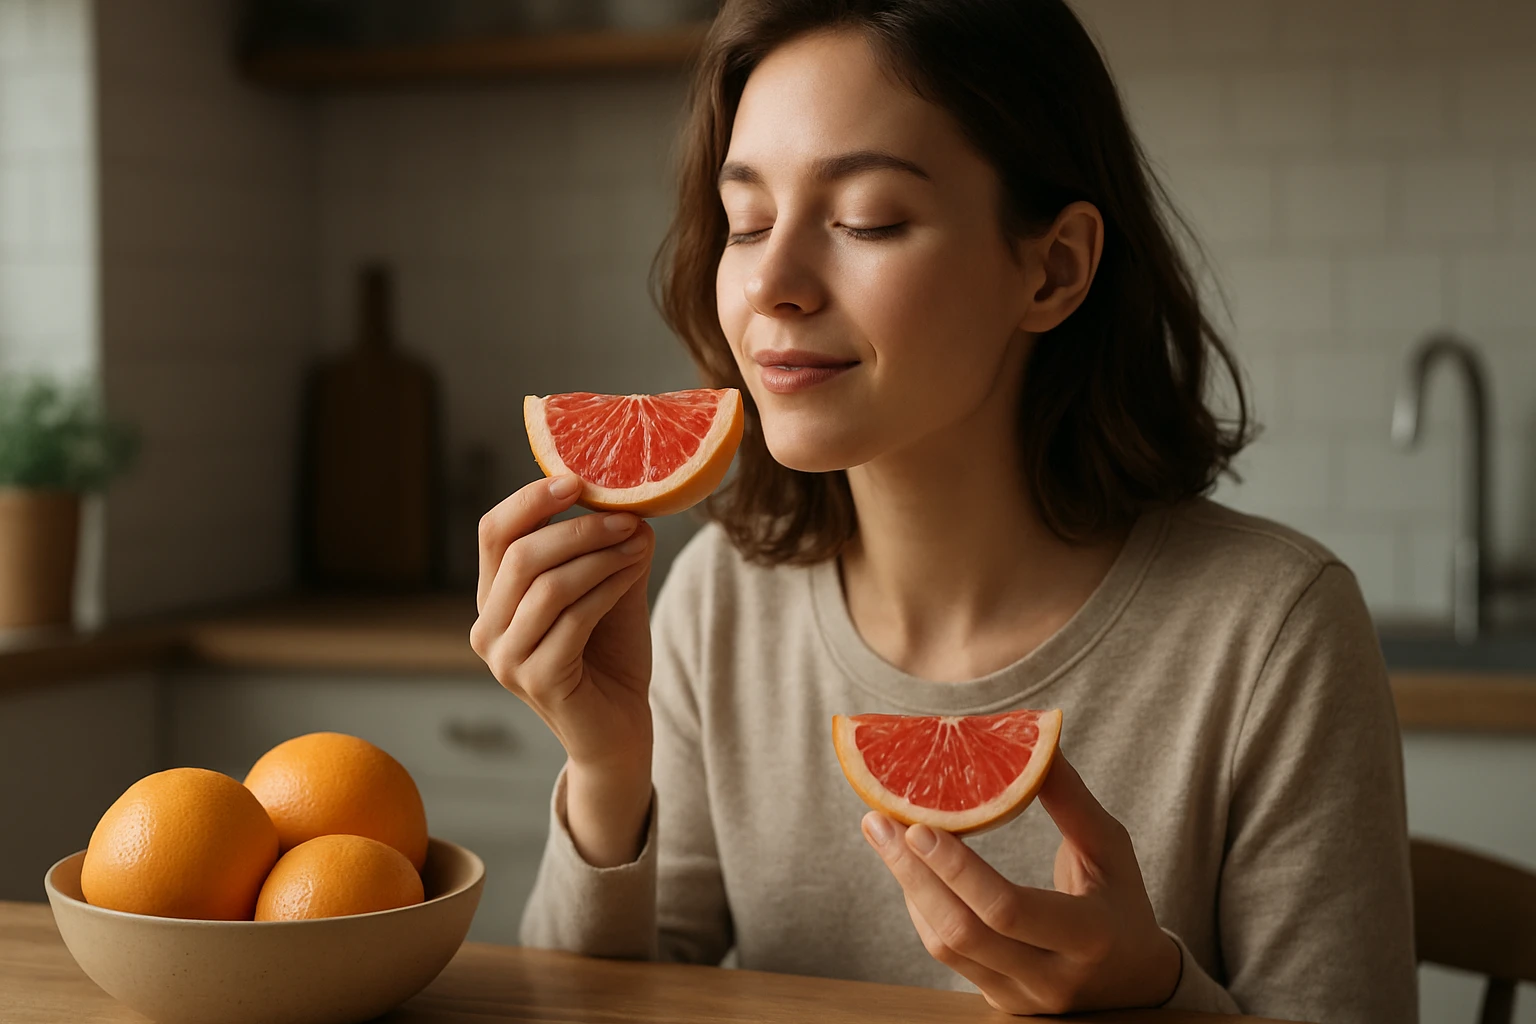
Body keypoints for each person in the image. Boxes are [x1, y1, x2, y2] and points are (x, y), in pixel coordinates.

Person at [470, 1, 1418, 1019]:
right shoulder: (717, 603)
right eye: (746, 222)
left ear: (1053, 268)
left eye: (868, 219)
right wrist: (608, 768)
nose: (771, 284)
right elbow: (589, 1008)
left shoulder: (1276, 632)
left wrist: (1155, 995)